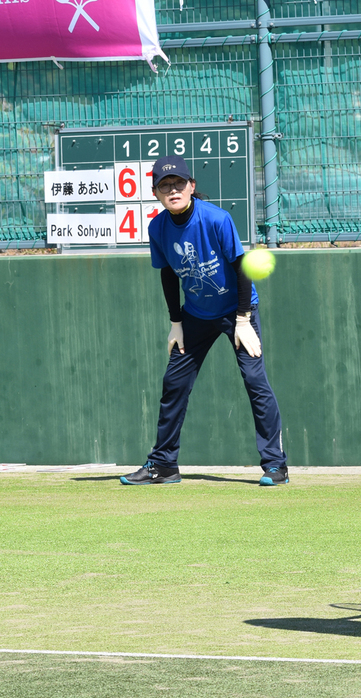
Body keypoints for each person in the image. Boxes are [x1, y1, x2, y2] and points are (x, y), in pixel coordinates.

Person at [120, 155, 288, 487]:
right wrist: (176, 322)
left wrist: (242, 319)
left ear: (191, 187)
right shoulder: (158, 227)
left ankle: (275, 465)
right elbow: (168, 272)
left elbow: (242, 268)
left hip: (236, 311)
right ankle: (164, 465)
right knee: (174, 383)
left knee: (255, 381)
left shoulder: (216, 219)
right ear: (156, 193)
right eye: (165, 186)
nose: (173, 190)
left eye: (179, 183)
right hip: (195, 315)